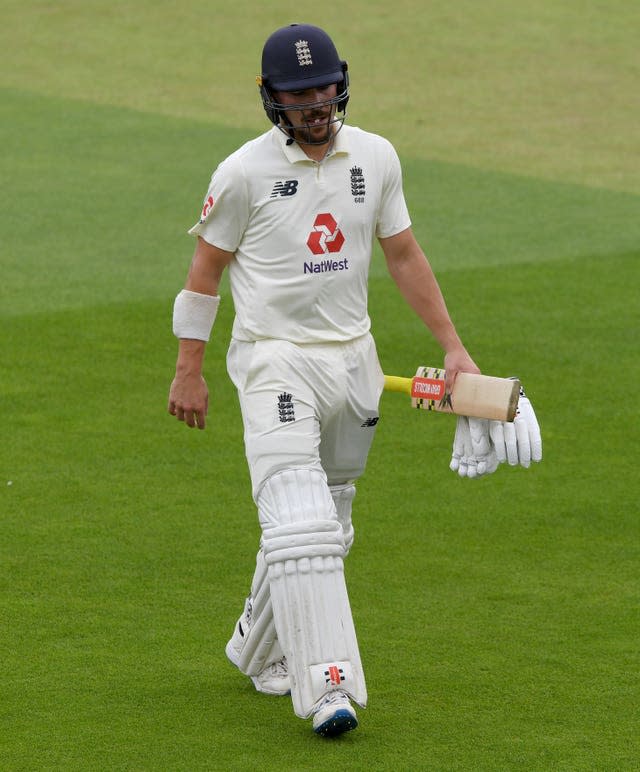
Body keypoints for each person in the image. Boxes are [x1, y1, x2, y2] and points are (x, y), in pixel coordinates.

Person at [168, 23, 541, 737]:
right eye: (299, 96)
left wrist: (454, 349)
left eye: (324, 92)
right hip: (274, 356)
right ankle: (327, 686)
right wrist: (190, 368)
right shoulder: (242, 173)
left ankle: (254, 647)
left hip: (355, 362)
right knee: (298, 514)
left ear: (342, 85)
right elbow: (204, 277)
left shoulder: (375, 156)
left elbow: (403, 255)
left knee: (327, 523)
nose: (315, 107)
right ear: (271, 100)